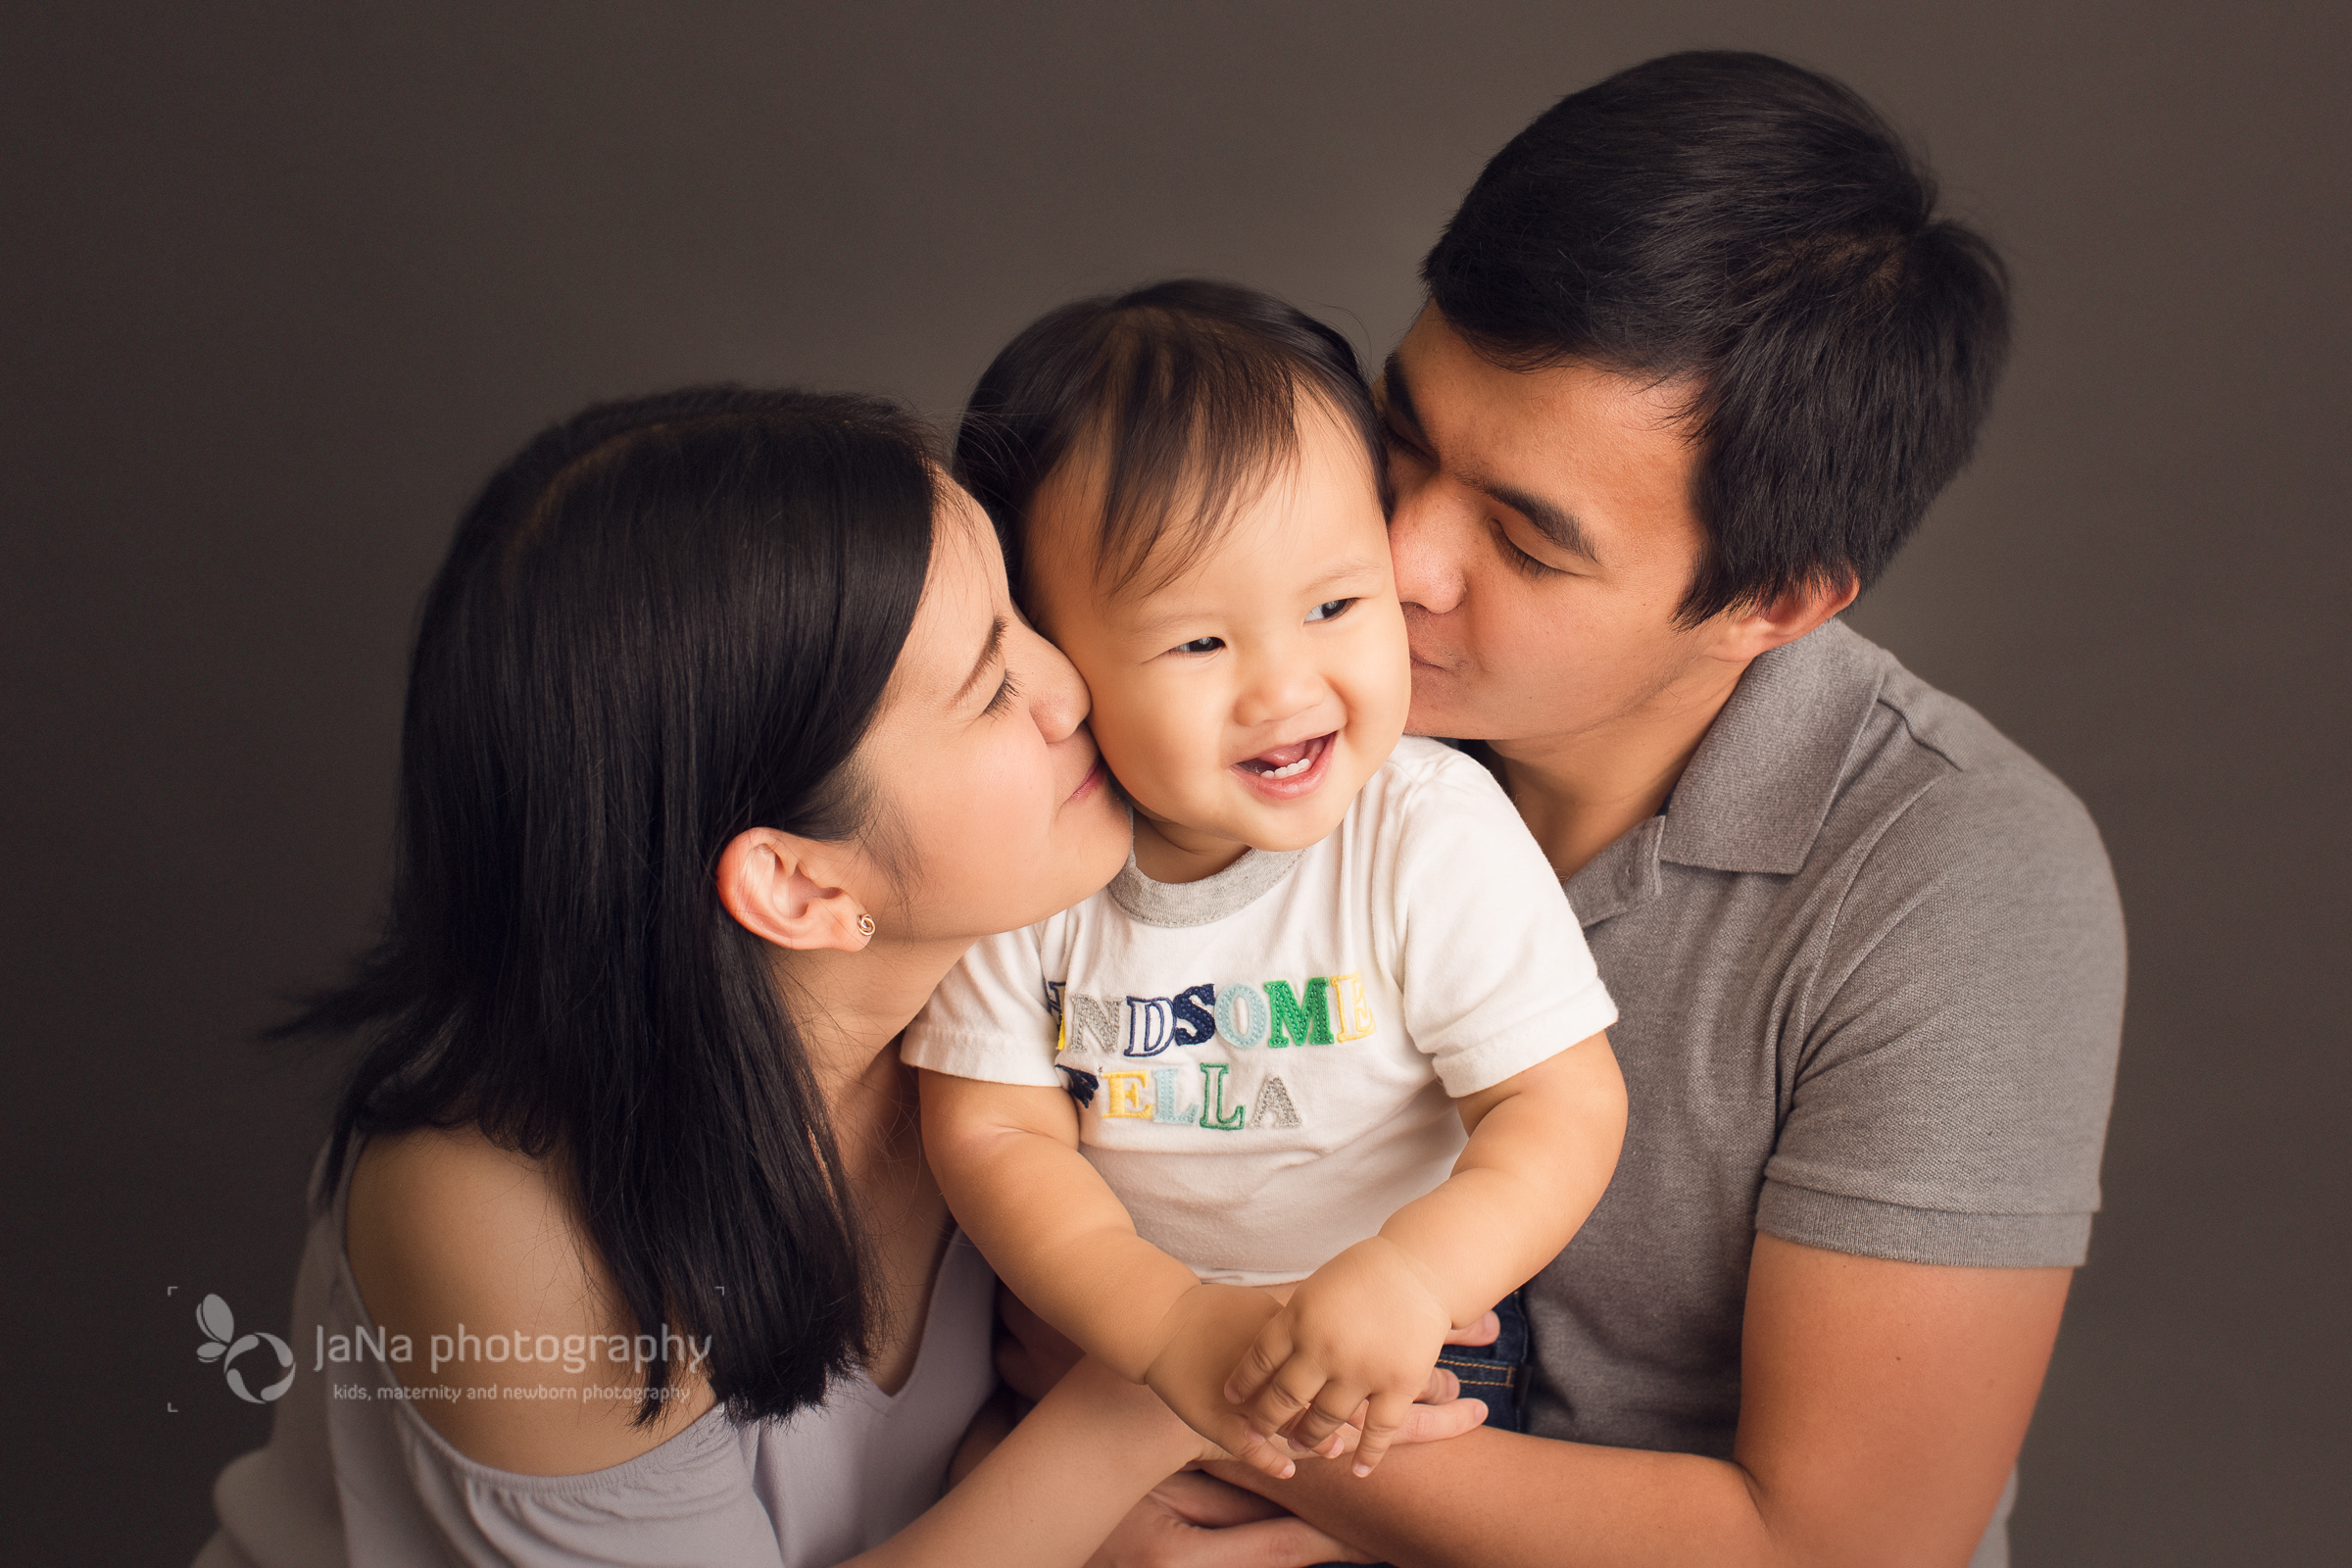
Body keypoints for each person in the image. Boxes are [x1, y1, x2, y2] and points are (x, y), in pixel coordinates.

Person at [1025, 52, 2127, 1568]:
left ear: (1772, 603)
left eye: (1527, 545)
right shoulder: (1259, 702)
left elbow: (1849, 1546)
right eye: (1404, 438)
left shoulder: (1960, 884)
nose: (1398, 558)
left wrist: (1170, 1404)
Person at [193, 386, 1481, 1568]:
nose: (1069, 683)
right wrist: (1172, 1383)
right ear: (803, 887)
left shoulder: (1020, 969)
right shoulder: (505, 1226)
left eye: (1026, 613)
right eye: (989, 687)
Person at [903, 280, 1629, 1482]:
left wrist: (1411, 1274)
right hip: (1119, 1339)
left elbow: (1560, 1108)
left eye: (1338, 605)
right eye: (1199, 641)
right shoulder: (1034, 860)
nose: (1286, 687)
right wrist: (1163, 1324)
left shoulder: (1425, 829)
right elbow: (992, 1131)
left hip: (1402, 1343)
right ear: (1045, 645)